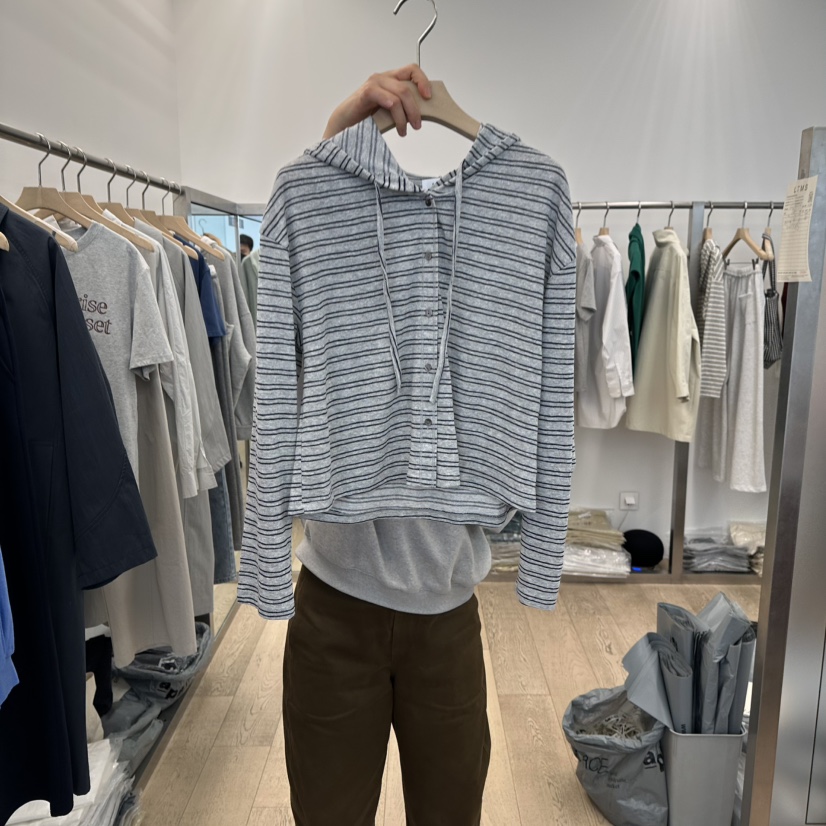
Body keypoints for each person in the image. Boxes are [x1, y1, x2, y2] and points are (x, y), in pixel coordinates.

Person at [282, 65, 491, 826]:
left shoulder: (491, 241)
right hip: (336, 603)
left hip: (448, 610)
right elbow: (288, 369)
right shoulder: (323, 233)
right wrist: (335, 137)